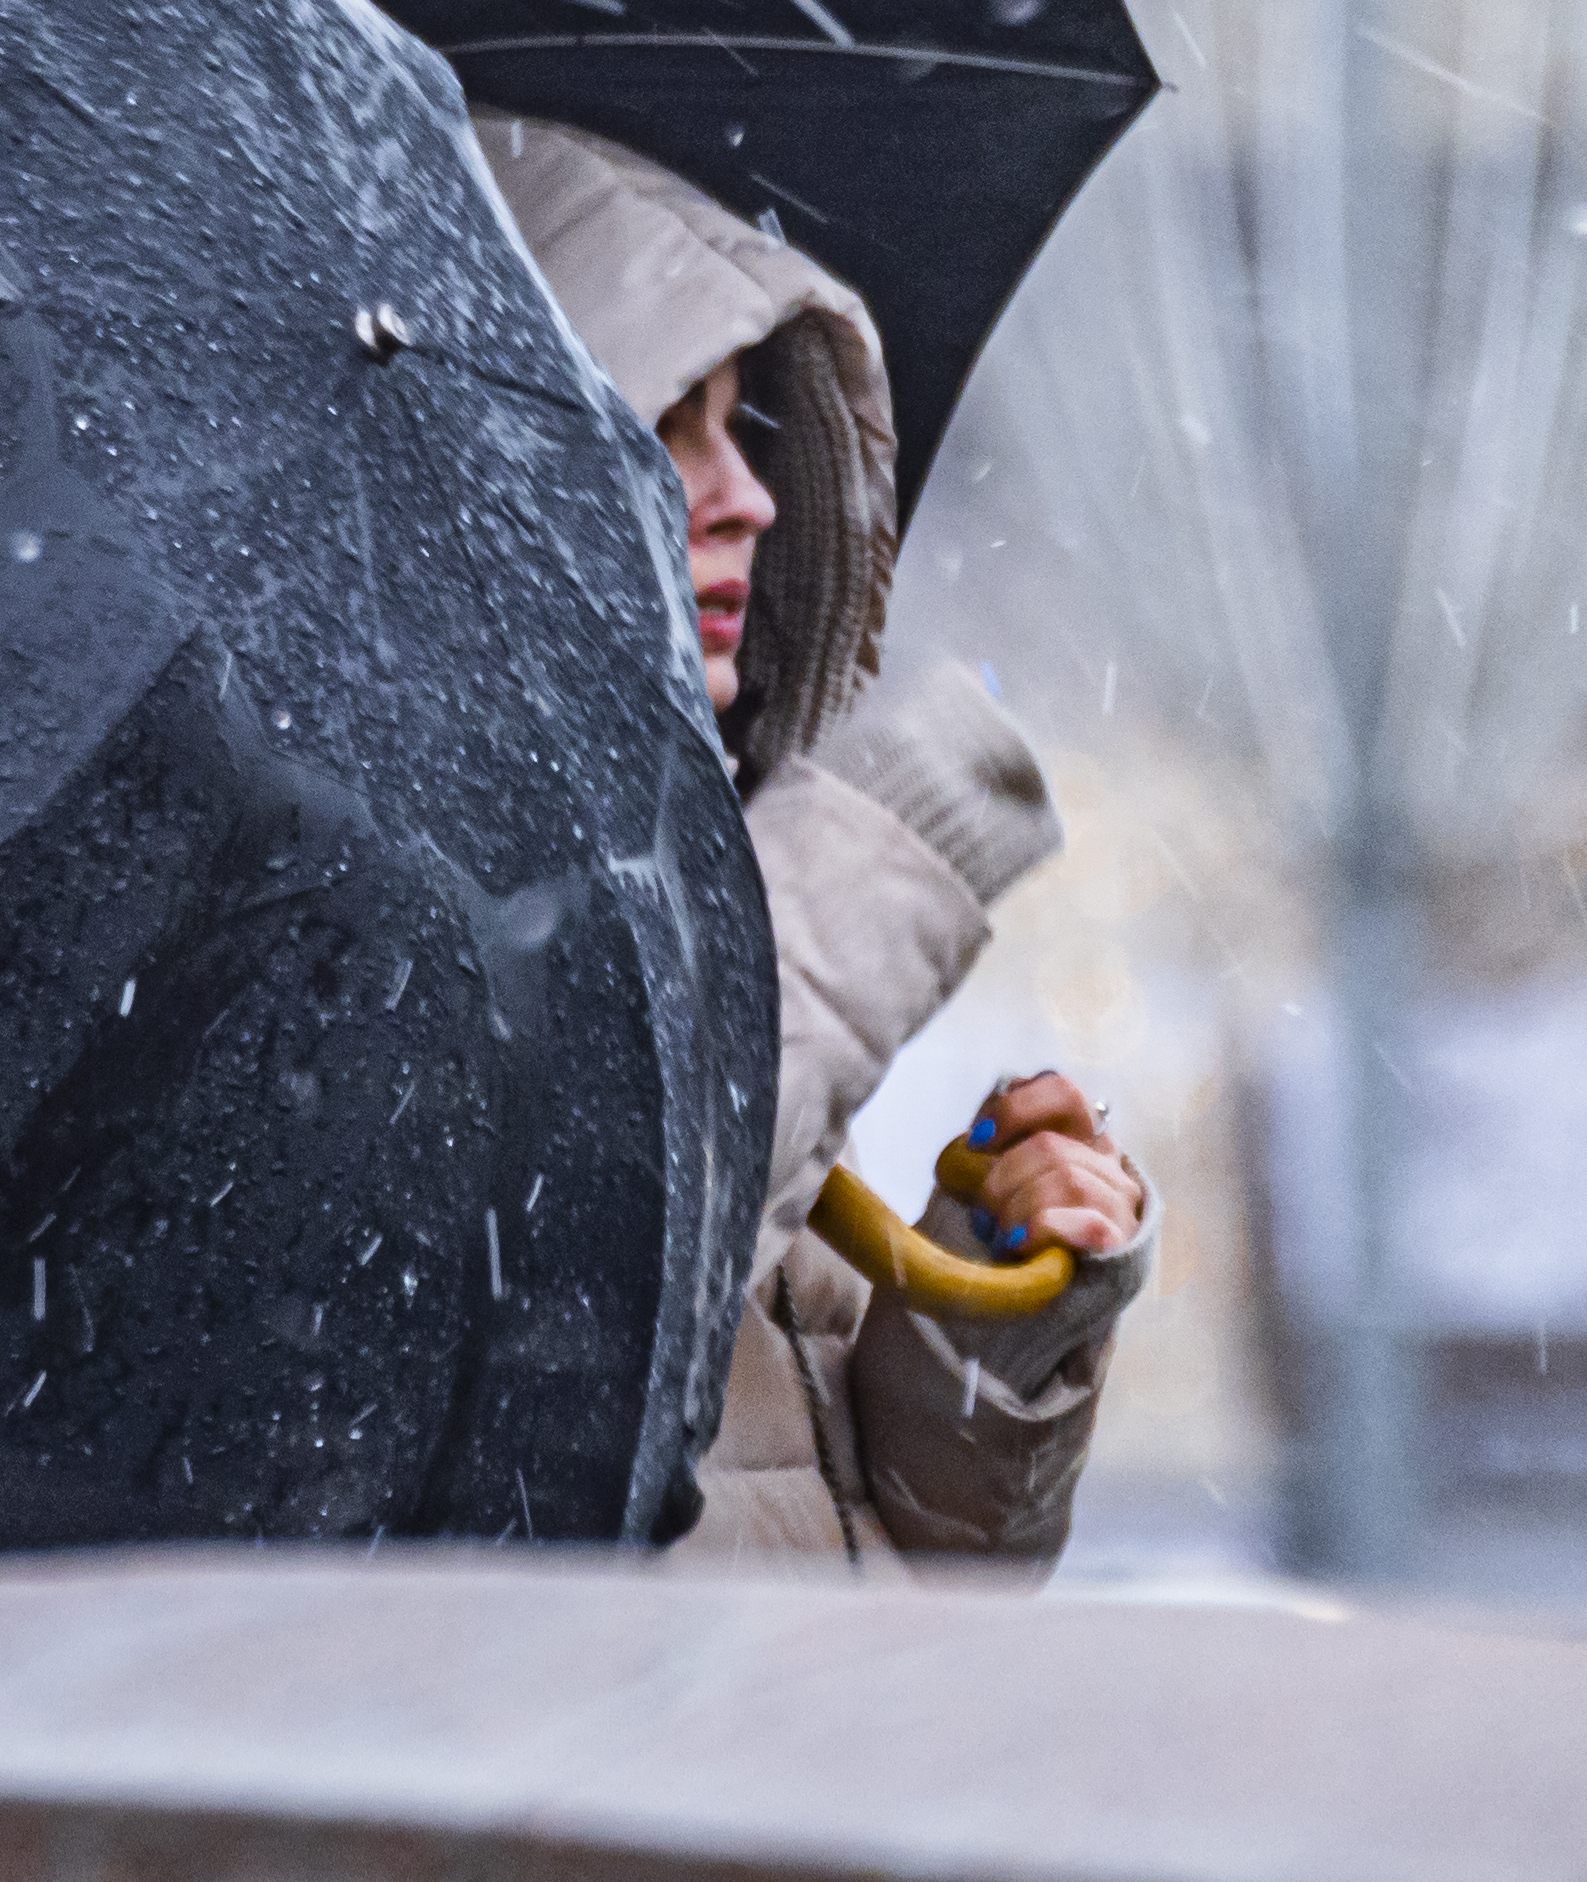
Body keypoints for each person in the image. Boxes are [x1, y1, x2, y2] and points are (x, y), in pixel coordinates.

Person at [474, 114, 1156, 1573]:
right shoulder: (415, 940)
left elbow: (906, 1581)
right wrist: (880, 853)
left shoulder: (658, 874)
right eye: (672, 425)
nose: (752, 498)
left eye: (745, 425)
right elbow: (552, 1379)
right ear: (502, 474)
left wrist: (985, 1319)